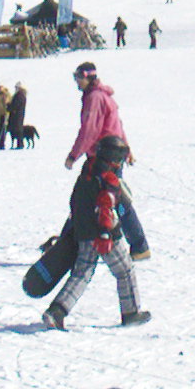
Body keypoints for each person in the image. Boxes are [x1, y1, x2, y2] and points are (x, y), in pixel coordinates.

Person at [42, 135, 148, 330]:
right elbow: (106, 208)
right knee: (125, 271)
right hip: (104, 235)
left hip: (84, 232)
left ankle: (56, 311)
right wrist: (106, 234)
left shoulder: (87, 172)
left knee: (82, 273)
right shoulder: (108, 180)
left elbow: (75, 202)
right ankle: (131, 312)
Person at [64, 62, 146, 257]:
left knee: (90, 197)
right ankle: (139, 245)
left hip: (104, 156)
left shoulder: (94, 98)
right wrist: (126, 149)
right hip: (112, 153)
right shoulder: (102, 96)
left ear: (87, 77)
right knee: (108, 197)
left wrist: (73, 155)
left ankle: (68, 243)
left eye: (78, 78)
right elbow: (118, 125)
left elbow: (90, 130)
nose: (76, 82)